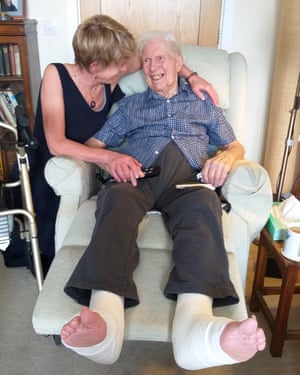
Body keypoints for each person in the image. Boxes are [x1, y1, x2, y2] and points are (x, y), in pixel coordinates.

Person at [60, 31, 266, 370]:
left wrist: (226, 159)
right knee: (115, 204)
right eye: (146, 60)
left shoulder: (203, 103)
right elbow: (94, 145)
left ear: (178, 63)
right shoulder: (130, 106)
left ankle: (198, 328)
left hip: (189, 183)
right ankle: (103, 324)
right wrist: (113, 160)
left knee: (204, 208)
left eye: (160, 58)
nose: (153, 67)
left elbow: (235, 145)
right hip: (138, 178)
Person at [2, 14, 218, 273]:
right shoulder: (55, 75)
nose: (124, 68)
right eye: (117, 66)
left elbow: (159, 61)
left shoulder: (111, 71)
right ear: (95, 67)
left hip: (88, 160)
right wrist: (110, 158)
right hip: (52, 165)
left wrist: (192, 77)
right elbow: (57, 144)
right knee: (45, 255)